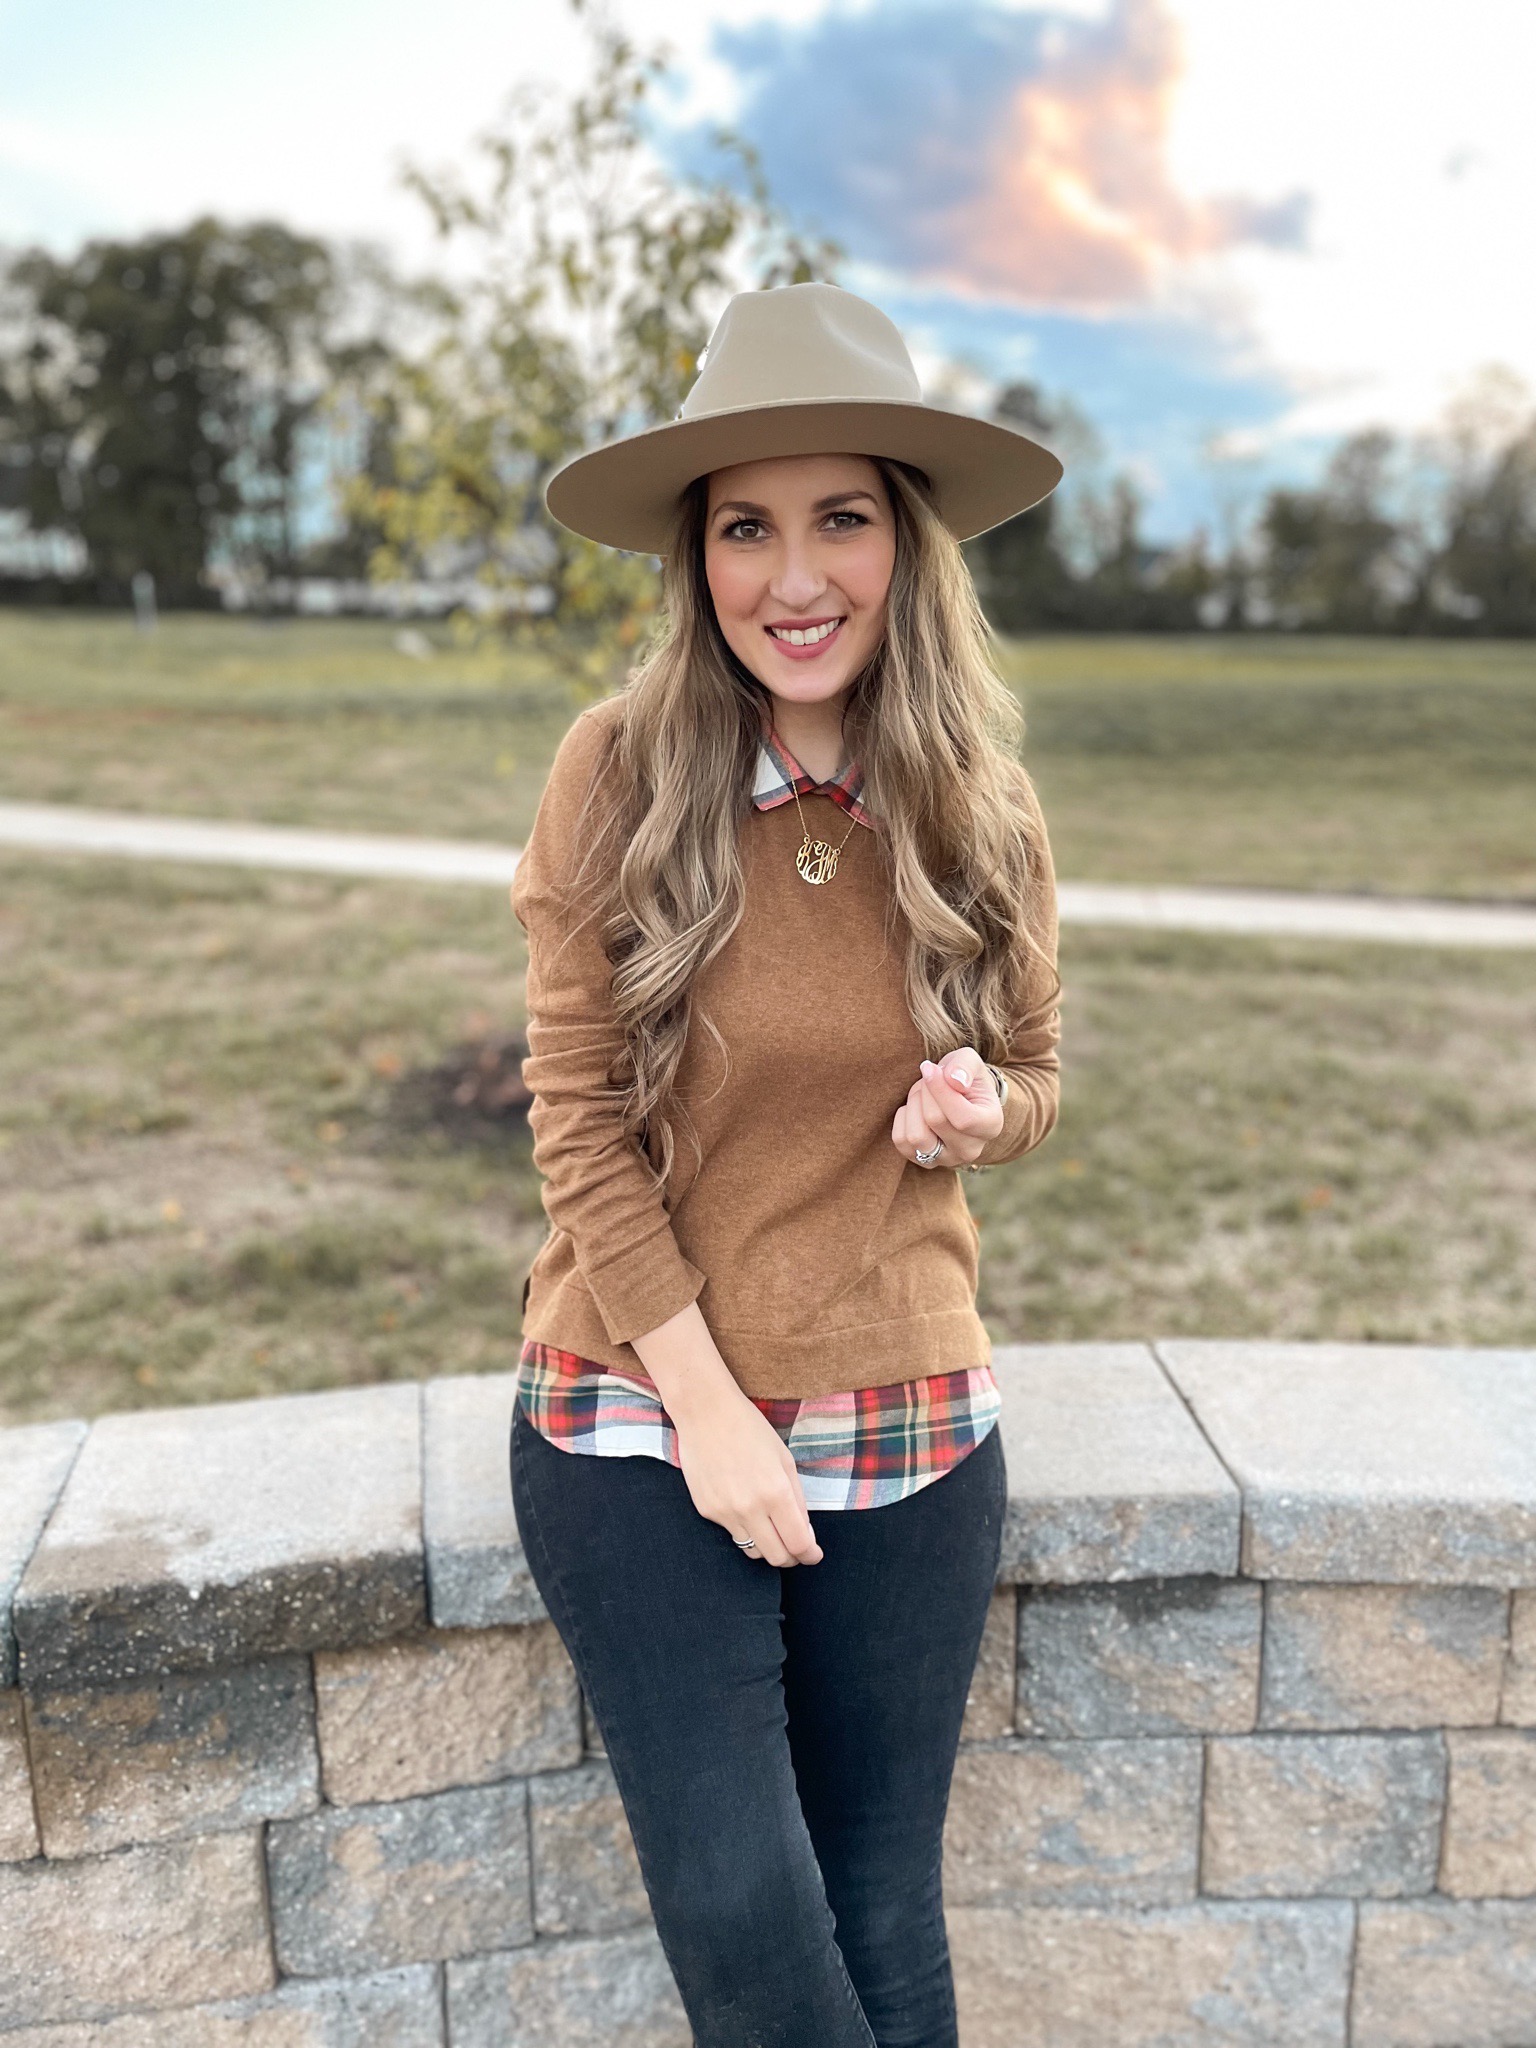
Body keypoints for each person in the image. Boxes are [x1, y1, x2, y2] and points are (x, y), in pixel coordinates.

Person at [507, 282, 1063, 2048]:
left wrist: (984, 1111)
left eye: (843, 518)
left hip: (908, 1402)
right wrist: (711, 1414)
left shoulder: (979, 802)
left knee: (883, 1900)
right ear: (697, 555)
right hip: (638, 1402)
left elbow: (1038, 1071)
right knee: (745, 1900)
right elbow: (578, 1120)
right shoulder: (618, 771)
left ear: (908, 546)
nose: (796, 575)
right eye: (747, 525)